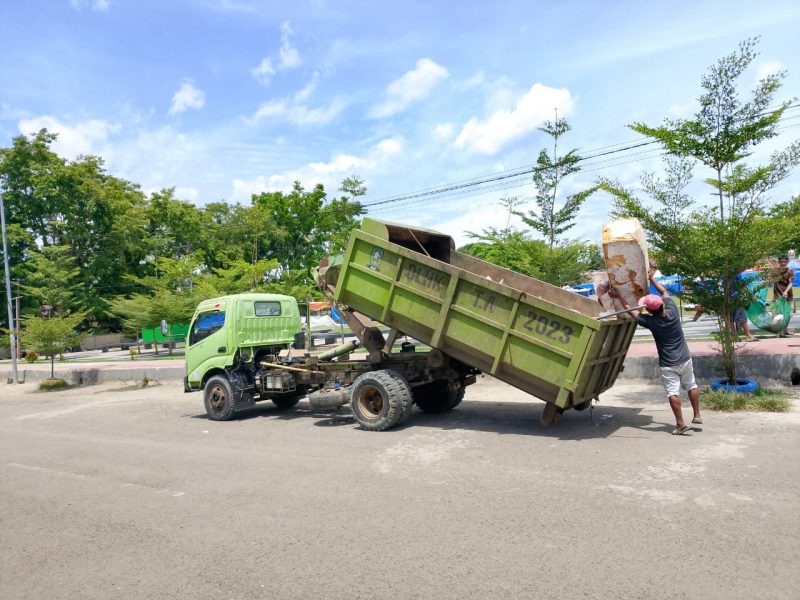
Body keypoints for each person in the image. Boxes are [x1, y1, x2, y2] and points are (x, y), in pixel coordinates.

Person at [609, 270, 701, 435]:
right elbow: (664, 291)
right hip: (685, 358)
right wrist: (651, 278)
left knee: (673, 392)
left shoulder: (651, 322)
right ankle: (697, 414)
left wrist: (618, 297)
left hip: (668, 363)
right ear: (661, 305)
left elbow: (631, 311)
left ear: (650, 311)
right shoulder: (672, 311)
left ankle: (680, 423)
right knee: (691, 385)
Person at [773, 256, 794, 337]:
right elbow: (771, 281)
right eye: (782, 261)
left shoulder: (790, 271)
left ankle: (785, 330)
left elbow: (791, 283)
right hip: (777, 295)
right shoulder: (775, 271)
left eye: (785, 261)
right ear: (779, 262)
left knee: (788, 314)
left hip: (788, 295)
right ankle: (779, 330)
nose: (783, 263)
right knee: (779, 314)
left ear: (787, 262)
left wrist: (785, 292)